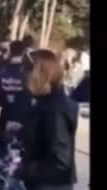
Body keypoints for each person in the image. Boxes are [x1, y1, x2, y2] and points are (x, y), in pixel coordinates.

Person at [13, 49, 78, 190]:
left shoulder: (55, 109)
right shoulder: (44, 101)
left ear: (40, 74)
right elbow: (43, 137)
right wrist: (19, 132)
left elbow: (60, 162)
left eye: (26, 71)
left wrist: (23, 171)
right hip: (40, 182)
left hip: (51, 185)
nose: (23, 76)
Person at [0, 41, 35, 169]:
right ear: (24, 52)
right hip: (25, 114)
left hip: (6, 111)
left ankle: (0, 181)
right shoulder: (29, 71)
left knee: (4, 149)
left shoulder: (1, 70)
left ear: (10, 51)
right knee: (24, 150)